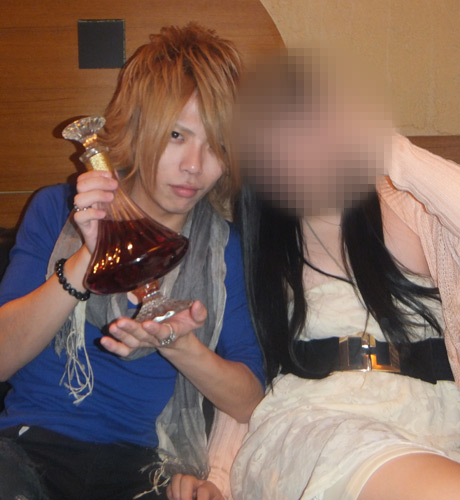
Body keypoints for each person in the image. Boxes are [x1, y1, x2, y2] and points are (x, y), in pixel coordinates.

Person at [169, 51, 460, 500]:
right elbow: (258, 370)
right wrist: (220, 476)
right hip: (321, 425)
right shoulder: (258, 253)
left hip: (440, 418)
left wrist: (390, 150)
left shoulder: (410, 205)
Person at [0, 24, 264, 500]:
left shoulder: (222, 249)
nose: (194, 165)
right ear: (139, 127)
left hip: (141, 468)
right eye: (177, 135)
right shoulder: (57, 210)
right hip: (29, 448)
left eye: (217, 144)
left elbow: (249, 401)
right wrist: (88, 256)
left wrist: (179, 344)